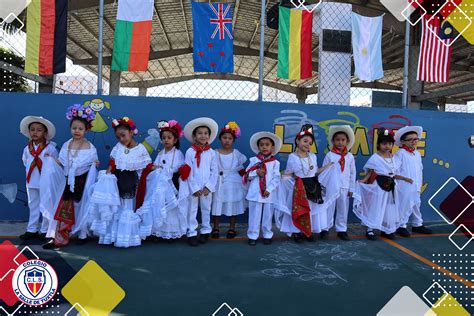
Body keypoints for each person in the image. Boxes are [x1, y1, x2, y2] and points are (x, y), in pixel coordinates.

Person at [91, 117, 153, 248]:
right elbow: (113, 162)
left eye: (123, 135)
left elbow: (146, 165)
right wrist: (108, 171)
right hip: (118, 181)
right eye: (118, 137)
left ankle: (127, 238)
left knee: (127, 208)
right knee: (117, 208)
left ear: (131, 132)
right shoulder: (118, 147)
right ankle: (114, 236)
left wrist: (155, 168)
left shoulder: (140, 149)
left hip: (131, 183)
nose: (121, 139)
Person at [44, 105, 99, 249]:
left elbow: (93, 163)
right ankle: (58, 235)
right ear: (70, 129)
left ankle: (82, 233)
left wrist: (95, 163)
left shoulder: (90, 147)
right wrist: (52, 160)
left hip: (83, 181)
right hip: (68, 181)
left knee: (81, 205)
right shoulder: (66, 145)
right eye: (74, 128)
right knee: (64, 206)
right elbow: (62, 162)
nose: (77, 131)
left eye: (80, 129)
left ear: (86, 130)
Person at [353, 128, 413, 240]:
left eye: (390, 144)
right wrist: (363, 180)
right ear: (379, 144)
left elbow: (394, 174)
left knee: (389, 207)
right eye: (384, 143)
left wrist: (405, 178)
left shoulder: (394, 158)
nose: (387, 146)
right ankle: (369, 229)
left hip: (391, 186)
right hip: (379, 185)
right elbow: (370, 172)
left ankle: (386, 229)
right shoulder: (375, 158)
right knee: (375, 206)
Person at [278, 125, 333, 242]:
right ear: (298, 141)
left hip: (313, 186)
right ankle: (297, 232)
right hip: (299, 188)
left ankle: (308, 231)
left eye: (310, 142)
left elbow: (315, 172)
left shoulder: (313, 156)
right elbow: (289, 173)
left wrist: (327, 167)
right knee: (300, 209)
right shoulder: (292, 157)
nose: (307, 144)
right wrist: (282, 179)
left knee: (310, 209)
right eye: (305, 141)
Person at [19, 116, 62, 242]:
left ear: (45, 133)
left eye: (39, 130)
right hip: (31, 181)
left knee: (46, 205)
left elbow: (56, 165)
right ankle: (31, 229)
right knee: (33, 204)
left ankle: (45, 230)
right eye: (32, 129)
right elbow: (24, 162)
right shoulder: (27, 149)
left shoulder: (50, 148)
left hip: (46, 182)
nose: (35, 132)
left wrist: (50, 159)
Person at [144, 120, 187, 241]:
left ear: (175, 140)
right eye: (164, 138)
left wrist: (165, 170)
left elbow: (178, 168)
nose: (166, 140)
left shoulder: (178, 154)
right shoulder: (160, 154)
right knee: (159, 205)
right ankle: (159, 231)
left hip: (171, 183)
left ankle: (171, 232)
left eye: (169, 137)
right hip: (160, 185)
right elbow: (155, 166)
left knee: (171, 208)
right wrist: (156, 168)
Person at [179, 117, 219, 246]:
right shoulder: (190, 152)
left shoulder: (212, 153)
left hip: (206, 187)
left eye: (206, 133)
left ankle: (206, 230)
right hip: (194, 187)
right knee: (192, 209)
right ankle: (191, 232)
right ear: (194, 136)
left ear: (209, 136)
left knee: (206, 209)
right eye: (200, 133)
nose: (203, 136)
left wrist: (209, 186)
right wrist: (194, 188)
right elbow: (188, 171)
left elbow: (215, 171)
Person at [318, 125, 356, 241]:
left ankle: (341, 229)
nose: (340, 142)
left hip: (344, 187)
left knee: (343, 208)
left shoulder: (349, 157)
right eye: (337, 140)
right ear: (333, 141)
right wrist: (323, 188)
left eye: (343, 140)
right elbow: (324, 171)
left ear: (347, 141)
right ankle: (325, 228)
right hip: (330, 187)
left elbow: (352, 173)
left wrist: (351, 189)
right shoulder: (330, 155)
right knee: (328, 207)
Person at [245, 131, 283, 246]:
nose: (264, 147)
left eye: (267, 144)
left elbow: (276, 178)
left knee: (267, 216)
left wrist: (269, 189)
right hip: (255, 193)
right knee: (254, 216)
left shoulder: (275, 162)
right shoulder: (253, 161)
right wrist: (256, 172)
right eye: (261, 144)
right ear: (258, 147)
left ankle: (267, 234)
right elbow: (247, 176)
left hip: (268, 194)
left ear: (272, 147)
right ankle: (253, 235)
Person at [211, 121, 247, 239]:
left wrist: (244, 175)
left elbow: (241, 168)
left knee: (233, 204)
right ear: (220, 139)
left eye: (230, 138)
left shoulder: (236, 154)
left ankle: (232, 228)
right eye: (224, 138)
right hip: (218, 182)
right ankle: (216, 228)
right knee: (217, 203)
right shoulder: (214, 153)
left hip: (233, 182)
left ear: (233, 140)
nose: (227, 140)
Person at [394, 125, 432, 236]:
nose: (414, 141)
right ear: (403, 142)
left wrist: (419, 183)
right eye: (410, 139)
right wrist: (403, 180)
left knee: (416, 204)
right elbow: (394, 170)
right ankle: (401, 226)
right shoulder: (400, 154)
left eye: (415, 139)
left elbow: (420, 169)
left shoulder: (417, 154)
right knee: (404, 205)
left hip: (416, 185)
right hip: (404, 186)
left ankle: (417, 224)